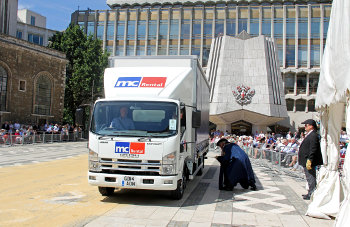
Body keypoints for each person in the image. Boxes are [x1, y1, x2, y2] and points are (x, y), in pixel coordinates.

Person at [298, 119, 323, 200]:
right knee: (309, 177)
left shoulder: (313, 135)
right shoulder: (310, 134)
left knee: (311, 177)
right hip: (306, 159)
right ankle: (310, 191)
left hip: (308, 160)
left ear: (311, 126)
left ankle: (311, 193)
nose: (305, 127)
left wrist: (310, 159)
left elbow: (313, 148)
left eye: (306, 125)